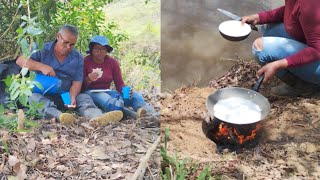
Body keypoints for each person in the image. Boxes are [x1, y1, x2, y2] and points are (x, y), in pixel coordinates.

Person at [16, 25, 123, 125]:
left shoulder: (77, 58)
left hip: (65, 95)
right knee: (33, 97)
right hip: (44, 92)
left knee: (84, 97)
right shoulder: (42, 49)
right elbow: (20, 60)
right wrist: (41, 66)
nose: (68, 47)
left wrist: (72, 97)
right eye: (65, 42)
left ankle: (97, 117)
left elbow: (77, 81)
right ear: (58, 36)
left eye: (72, 44)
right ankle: (59, 116)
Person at [242, 0, 320, 97]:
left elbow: (317, 50)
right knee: (269, 28)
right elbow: (292, 10)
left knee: (259, 47)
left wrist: (278, 64)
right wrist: (259, 17)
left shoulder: (310, 4)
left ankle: (304, 86)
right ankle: (302, 77)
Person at [82, 35, 155, 119]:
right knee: (106, 98)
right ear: (91, 50)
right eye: (96, 48)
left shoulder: (112, 63)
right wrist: (88, 79)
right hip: (91, 93)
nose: (100, 51)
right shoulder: (85, 62)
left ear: (107, 51)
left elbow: (119, 84)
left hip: (108, 91)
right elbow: (80, 87)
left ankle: (148, 113)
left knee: (136, 96)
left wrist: (126, 90)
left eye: (103, 49)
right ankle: (129, 114)